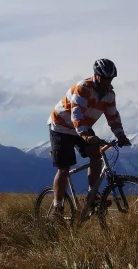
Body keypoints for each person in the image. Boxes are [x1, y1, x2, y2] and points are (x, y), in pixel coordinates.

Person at [47, 58, 131, 220]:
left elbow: (113, 117)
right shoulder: (83, 88)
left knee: (97, 155)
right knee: (64, 168)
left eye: (110, 79)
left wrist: (121, 136)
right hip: (61, 126)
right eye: (105, 78)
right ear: (96, 75)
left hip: (82, 127)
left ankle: (92, 197)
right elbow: (76, 116)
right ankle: (57, 209)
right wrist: (87, 136)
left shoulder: (109, 95)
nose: (107, 82)